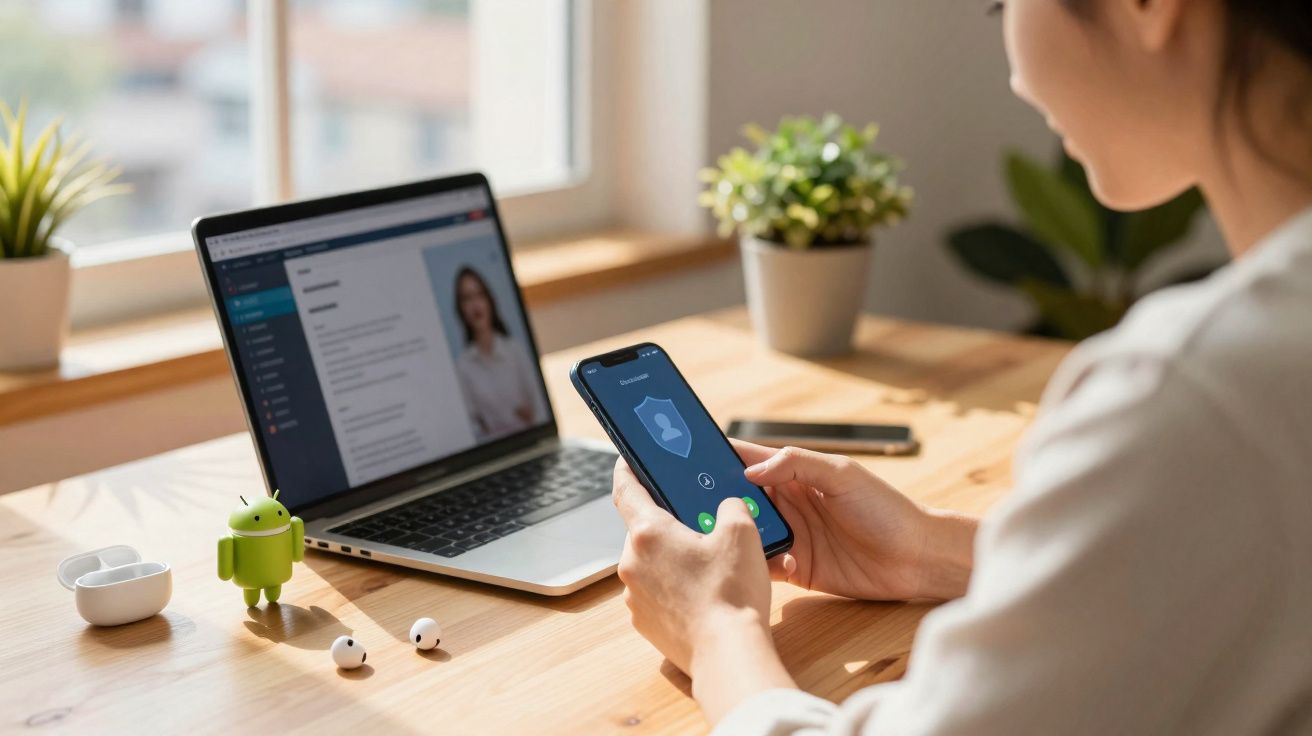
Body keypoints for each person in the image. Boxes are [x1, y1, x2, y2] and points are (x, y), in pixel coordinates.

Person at [610, 1, 1312, 733]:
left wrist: (717, 629)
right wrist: (932, 554)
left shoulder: (1197, 397)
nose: (1012, 74)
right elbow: (1203, 571)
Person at [452, 266, 540, 439]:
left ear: (489, 300)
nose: (475, 305)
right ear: (461, 309)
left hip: (530, 439)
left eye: (479, 295)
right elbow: (473, 425)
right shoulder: (462, 367)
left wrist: (532, 419)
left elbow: (539, 407)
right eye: (467, 299)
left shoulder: (515, 350)